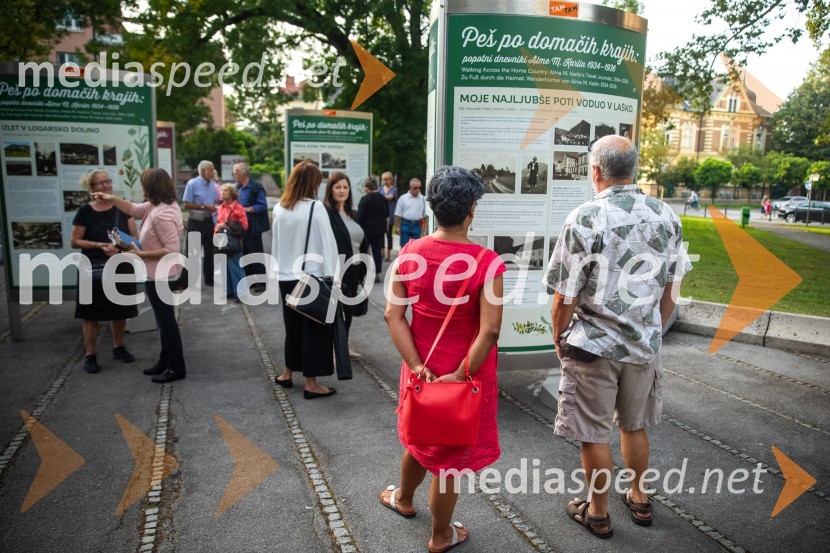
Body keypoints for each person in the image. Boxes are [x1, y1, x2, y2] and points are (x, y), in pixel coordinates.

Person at [543, 135, 692, 539]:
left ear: (595, 171)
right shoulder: (668, 216)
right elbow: (671, 289)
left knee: (593, 433)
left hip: (593, 346)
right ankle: (640, 498)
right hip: (643, 346)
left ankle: (597, 512)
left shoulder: (585, 218)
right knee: (633, 425)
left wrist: (558, 335)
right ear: (634, 169)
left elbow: (565, 294)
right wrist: (653, 330)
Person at [380, 166, 505, 553]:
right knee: (447, 461)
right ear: (472, 208)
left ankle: (403, 499)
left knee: (421, 438)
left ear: (431, 207)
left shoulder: (410, 253)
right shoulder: (488, 262)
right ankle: (439, 535)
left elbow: (393, 315)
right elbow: (490, 331)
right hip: (465, 377)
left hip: (421, 368)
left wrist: (418, 367)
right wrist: (459, 374)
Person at [94, 168, 187, 384]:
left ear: (151, 187)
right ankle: (165, 361)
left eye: (144, 183)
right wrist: (110, 198)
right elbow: (134, 209)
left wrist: (140, 253)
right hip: (154, 272)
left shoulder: (163, 213)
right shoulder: (155, 206)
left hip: (161, 275)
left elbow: (172, 249)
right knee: (162, 320)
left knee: (167, 322)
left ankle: (176, 367)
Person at [271, 160, 339, 399]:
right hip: (311, 277)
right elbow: (327, 244)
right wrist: (333, 276)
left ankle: (287, 373)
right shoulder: (315, 208)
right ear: (312, 183)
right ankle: (311, 383)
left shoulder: (280, 207)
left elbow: (276, 244)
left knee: (292, 327)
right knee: (314, 329)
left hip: (285, 277)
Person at [71, 169, 138, 373]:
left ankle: (118, 346)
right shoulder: (85, 211)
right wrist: (98, 245)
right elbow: (75, 241)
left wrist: (119, 249)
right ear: (91, 188)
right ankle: (90, 354)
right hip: (92, 265)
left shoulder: (122, 208)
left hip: (119, 263)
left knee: (120, 310)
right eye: (100, 183)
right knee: (90, 314)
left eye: (107, 182)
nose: (105, 186)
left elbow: (134, 238)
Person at [323, 172, 369, 358]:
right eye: (338, 187)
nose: (342, 191)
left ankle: (343, 347)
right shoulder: (327, 214)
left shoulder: (352, 214)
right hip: (336, 269)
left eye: (345, 187)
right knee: (334, 311)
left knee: (348, 311)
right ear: (330, 189)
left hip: (354, 269)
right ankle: (331, 351)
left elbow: (361, 241)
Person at [182, 160, 220, 286]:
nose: (212, 172)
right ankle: (189, 280)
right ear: (203, 170)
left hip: (209, 221)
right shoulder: (192, 183)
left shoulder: (212, 185)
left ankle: (209, 279)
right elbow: (186, 204)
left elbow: (215, 202)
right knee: (193, 252)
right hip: (196, 221)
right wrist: (204, 206)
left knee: (210, 252)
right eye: (210, 169)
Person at [233, 162, 270, 289]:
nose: (234, 175)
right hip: (241, 227)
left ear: (243, 174)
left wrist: (247, 210)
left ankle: (261, 282)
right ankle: (250, 280)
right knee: (245, 253)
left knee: (255, 253)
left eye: (236, 173)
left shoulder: (256, 187)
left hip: (253, 227)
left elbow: (262, 205)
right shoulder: (237, 188)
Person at [215, 183, 249, 302]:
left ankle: (242, 294)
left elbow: (244, 226)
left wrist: (228, 225)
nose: (222, 193)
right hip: (221, 240)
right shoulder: (221, 208)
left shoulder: (238, 208)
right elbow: (218, 224)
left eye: (225, 191)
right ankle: (229, 291)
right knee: (224, 267)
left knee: (236, 267)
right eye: (221, 191)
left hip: (233, 242)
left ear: (232, 194)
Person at [357, 176, 387, 282]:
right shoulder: (383, 198)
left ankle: (364, 274)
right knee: (377, 251)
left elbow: (360, 216)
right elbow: (387, 214)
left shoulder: (365, 199)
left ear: (367, 187)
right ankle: (377, 273)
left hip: (367, 230)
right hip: (379, 229)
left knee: (365, 252)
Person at [394, 178, 427, 249]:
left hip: (417, 224)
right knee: (404, 246)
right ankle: (403, 259)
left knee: (416, 247)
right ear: (410, 187)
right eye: (415, 188)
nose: (417, 189)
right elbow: (397, 214)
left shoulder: (423, 199)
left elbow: (425, 214)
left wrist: (425, 228)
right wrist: (396, 227)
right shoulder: (403, 198)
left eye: (419, 188)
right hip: (405, 223)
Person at [380, 171, 398, 261]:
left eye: (386, 179)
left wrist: (379, 197)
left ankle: (388, 253)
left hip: (390, 215)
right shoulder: (380, 189)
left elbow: (389, 197)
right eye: (383, 180)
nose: (385, 182)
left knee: (389, 234)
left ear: (391, 180)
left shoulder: (394, 190)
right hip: (381, 215)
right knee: (381, 234)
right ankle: (382, 251)